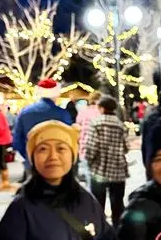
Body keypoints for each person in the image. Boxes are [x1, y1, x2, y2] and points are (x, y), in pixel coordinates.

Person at [84, 95, 129, 226]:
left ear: (102, 108)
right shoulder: (120, 125)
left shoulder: (96, 123)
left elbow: (91, 148)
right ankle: (117, 232)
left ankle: (100, 231)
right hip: (118, 170)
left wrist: (89, 161)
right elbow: (125, 147)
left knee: (98, 204)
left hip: (99, 170)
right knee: (117, 205)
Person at [13, 79, 73, 171]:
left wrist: (29, 155)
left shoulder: (24, 113)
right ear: (56, 93)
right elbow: (69, 140)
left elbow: (17, 141)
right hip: (56, 163)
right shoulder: (63, 114)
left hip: (32, 161)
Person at [76, 89, 102, 185]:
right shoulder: (102, 112)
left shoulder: (83, 112)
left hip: (85, 146)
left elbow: (78, 126)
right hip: (99, 147)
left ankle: (91, 195)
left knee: (89, 174)